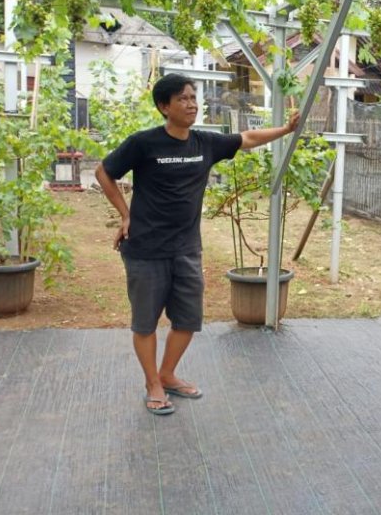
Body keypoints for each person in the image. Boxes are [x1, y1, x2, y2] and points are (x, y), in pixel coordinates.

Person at [95, 73, 299, 416]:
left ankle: (168, 373)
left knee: (188, 319)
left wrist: (285, 130)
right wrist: (125, 215)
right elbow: (104, 172)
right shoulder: (144, 143)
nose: (191, 104)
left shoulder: (204, 143)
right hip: (145, 249)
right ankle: (152, 384)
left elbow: (247, 137)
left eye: (193, 97)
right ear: (164, 106)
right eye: (183, 99)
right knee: (145, 322)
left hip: (187, 249)